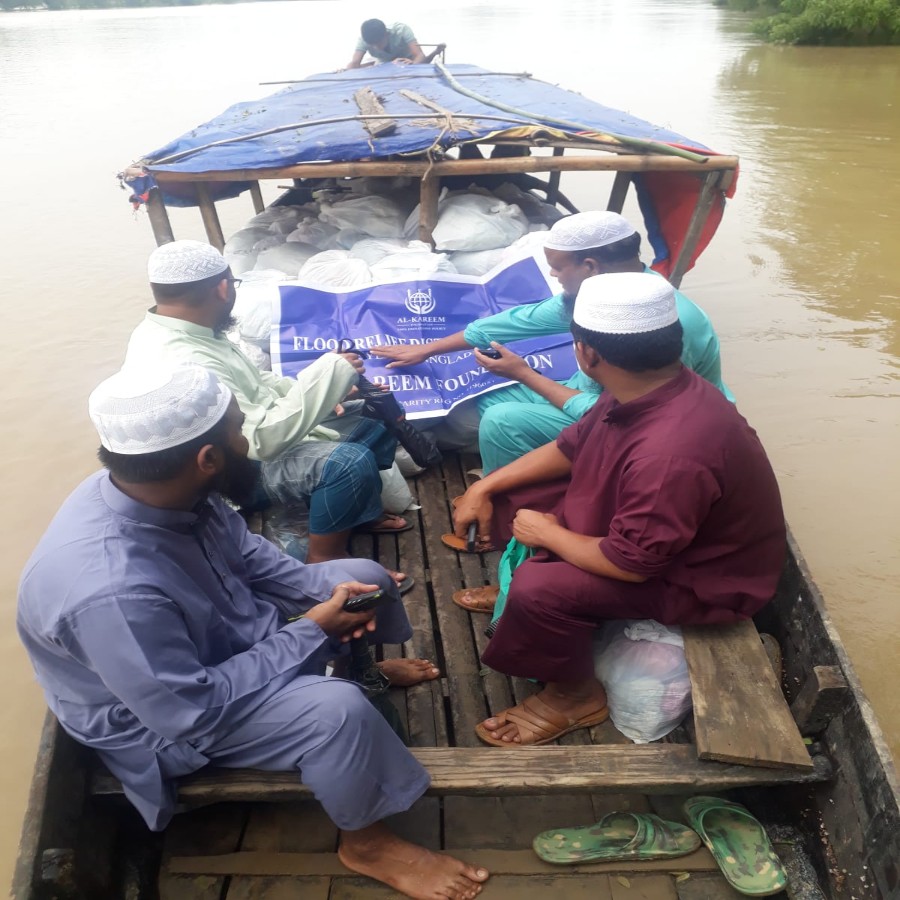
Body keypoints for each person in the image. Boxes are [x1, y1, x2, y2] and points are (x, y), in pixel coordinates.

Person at [17, 365, 488, 900]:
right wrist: (314, 629)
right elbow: (187, 709)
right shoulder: (108, 592)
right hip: (166, 722)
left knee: (364, 582)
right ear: (208, 459)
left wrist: (327, 603)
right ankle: (367, 844)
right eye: (241, 429)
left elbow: (251, 556)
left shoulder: (170, 490)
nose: (250, 441)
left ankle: (362, 670)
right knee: (337, 713)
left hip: (214, 651)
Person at [450, 272, 786, 747]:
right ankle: (518, 589)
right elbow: (572, 445)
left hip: (705, 579)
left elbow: (630, 564)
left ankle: (573, 695)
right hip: (655, 533)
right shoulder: (647, 385)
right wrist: (485, 487)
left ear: (586, 354)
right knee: (512, 496)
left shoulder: (672, 451)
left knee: (540, 588)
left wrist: (547, 535)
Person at [370, 211, 732, 482]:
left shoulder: (660, 320)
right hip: (592, 394)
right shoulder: (592, 294)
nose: (554, 277)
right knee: (481, 403)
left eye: (557, 268)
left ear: (589, 266)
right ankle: (524, 471)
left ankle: (504, 501)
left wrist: (524, 374)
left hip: (643, 426)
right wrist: (428, 349)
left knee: (500, 420)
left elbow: (628, 417)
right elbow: (519, 321)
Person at [123, 240, 411, 574]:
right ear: (222, 288)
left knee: (370, 419)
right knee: (347, 464)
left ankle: (355, 512)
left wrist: (329, 393)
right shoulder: (184, 357)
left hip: (248, 441)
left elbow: (258, 383)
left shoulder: (192, 332)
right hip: (233, 472)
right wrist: (329, 372)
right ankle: (326, 558)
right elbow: (256, 443)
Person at [343, 19, 445, 69]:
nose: (375, 47)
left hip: (407, 61)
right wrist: (344, 72)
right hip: (383, 65)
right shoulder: (365, 39)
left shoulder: (401, 30)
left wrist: (412, 66)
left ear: (386, 35)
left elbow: (419, 55)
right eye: (371, 45)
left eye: (378, 43)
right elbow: (355, 63)